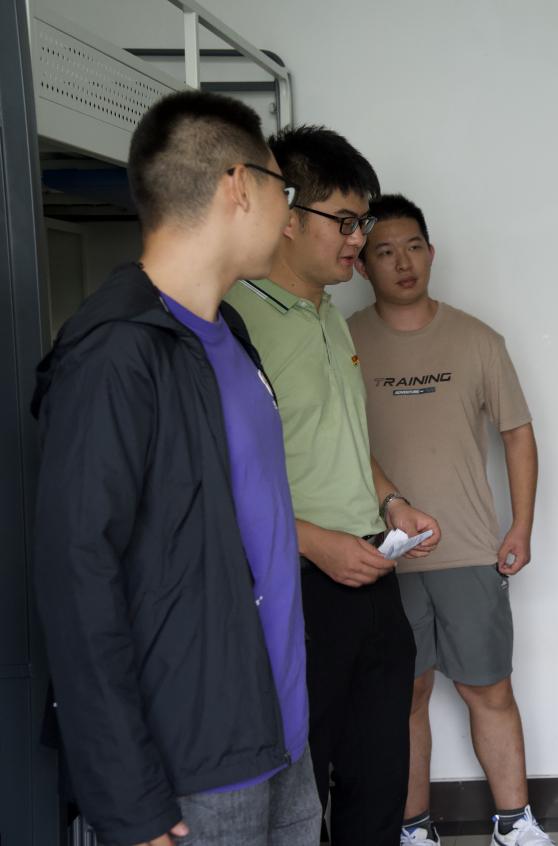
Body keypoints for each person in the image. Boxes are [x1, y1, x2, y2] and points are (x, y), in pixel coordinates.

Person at [32, 90, 320, 846]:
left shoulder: (228, 334)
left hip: (281, 738)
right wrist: (127, 798)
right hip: (192, 766)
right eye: (283, 191)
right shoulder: (115, 355)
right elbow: (76, 578)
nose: (288, 215)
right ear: (238, 185)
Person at [225, 129, 441, 846]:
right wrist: (315, 544)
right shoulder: (234, 321)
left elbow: (344, 438)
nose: (359, 240)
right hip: (295, 587)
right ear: (287, 215)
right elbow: (215, 478)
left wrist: (392, 503)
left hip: (371, 574)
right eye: (344, 222)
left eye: (362, 221)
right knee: (299, 793)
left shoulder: (328, 316)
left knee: (379, 782)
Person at [346, 194, 549, 846]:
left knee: (489, 690)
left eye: (413, 247)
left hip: (468, 551)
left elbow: (517, 433)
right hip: (379, 555)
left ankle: (514, 825)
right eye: (384, 252)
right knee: (401, 697)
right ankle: (413, 829)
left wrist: (519, 526)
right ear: (361, 265)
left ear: (431, 253)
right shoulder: (341, 343)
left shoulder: (477, 339)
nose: (402, 263)